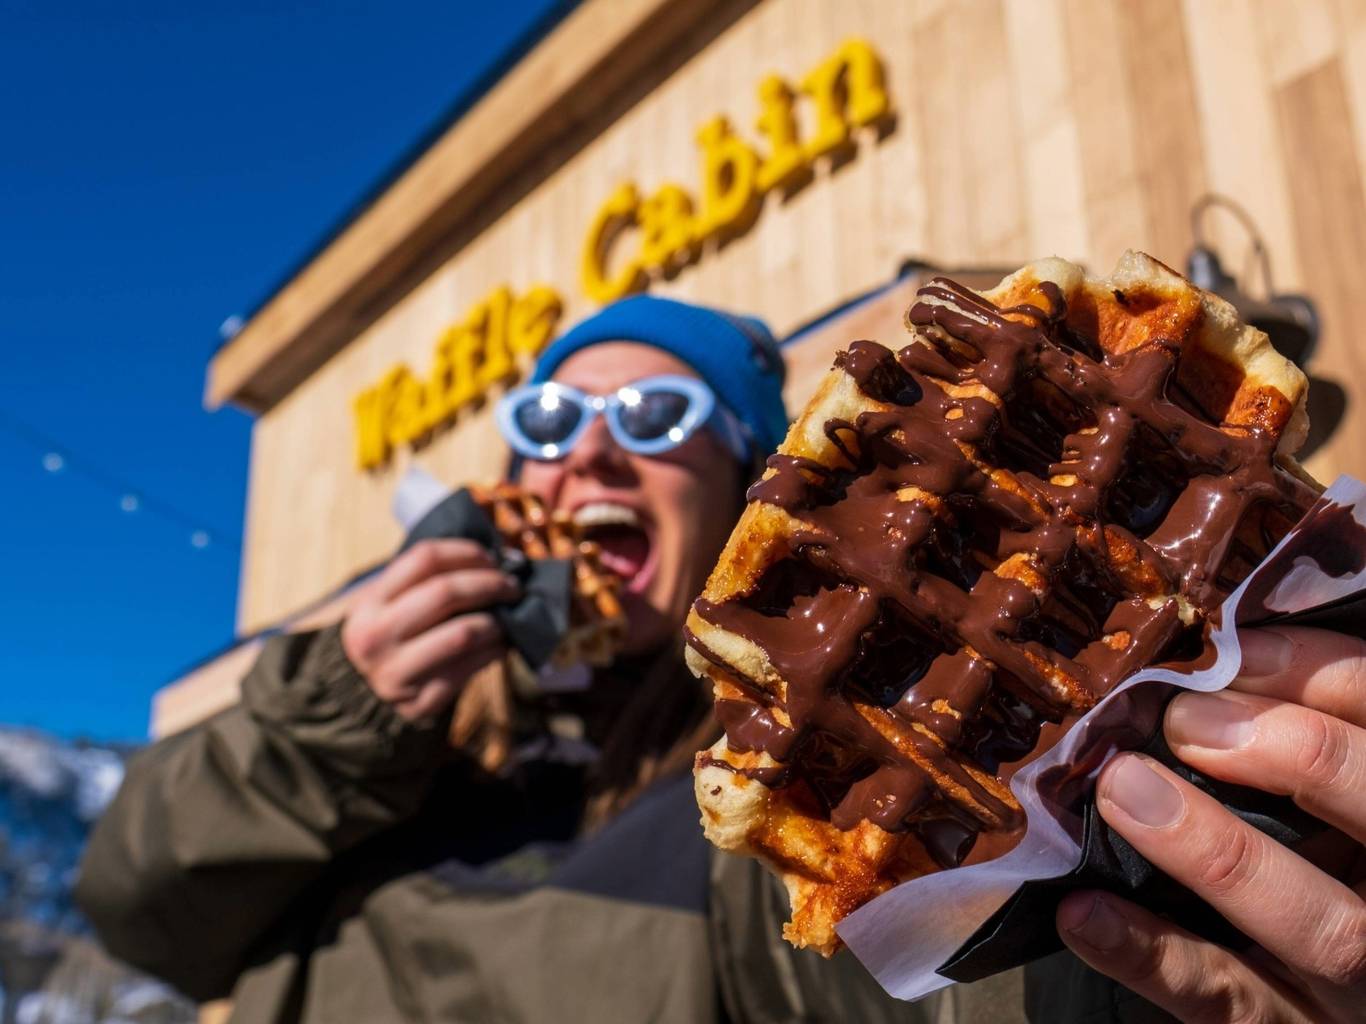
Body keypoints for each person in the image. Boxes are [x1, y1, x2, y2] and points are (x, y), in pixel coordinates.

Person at [78, 295, 1366, 1024]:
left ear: (756, 485)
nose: (582, 455)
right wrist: (325, 725)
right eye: (546, 418)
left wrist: (1227, 878)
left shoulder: (777, 811)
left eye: (652, 415)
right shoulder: (374, 756)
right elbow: (142, 910)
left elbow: (964, 980)